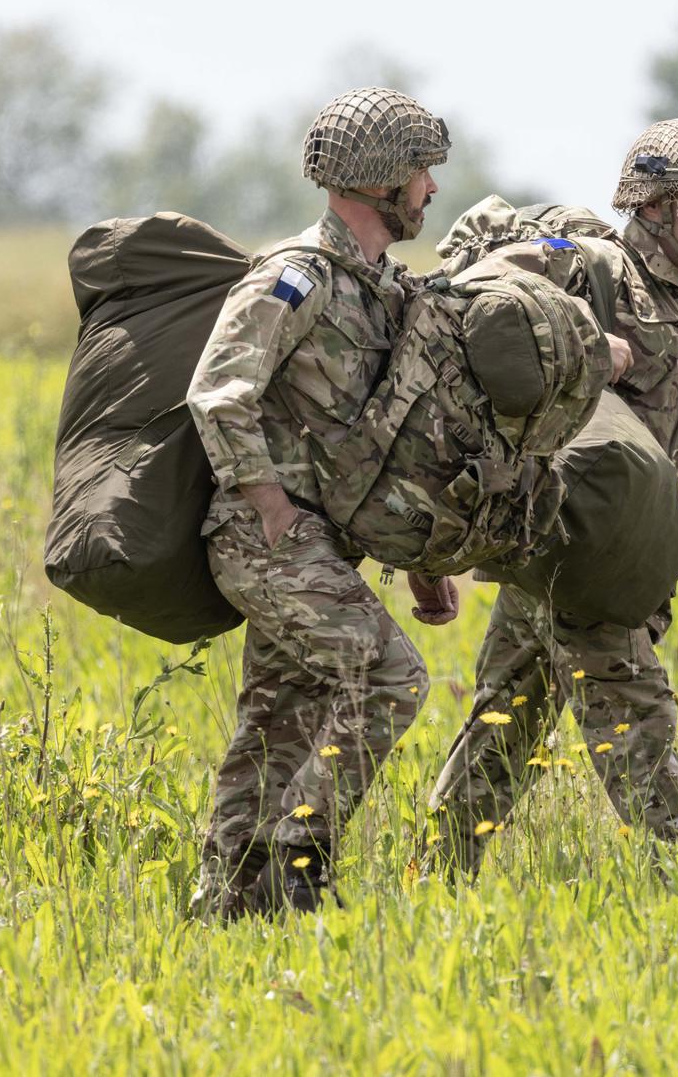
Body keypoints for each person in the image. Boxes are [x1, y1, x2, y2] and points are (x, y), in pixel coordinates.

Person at [428, 119, 678, 874]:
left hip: (606, 550)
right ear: (649, 203)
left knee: (504, 725)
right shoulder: (589, 270)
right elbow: (478, 332)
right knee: (633, 710)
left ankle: (437, 874)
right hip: (566, 535)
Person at [186, 87, 460, 918]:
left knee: (277, 723)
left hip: (322, 548)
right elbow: (218, 393)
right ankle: (295, 855)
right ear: (381, 182)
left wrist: (417, 565)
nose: (431, 190)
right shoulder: (296, 277)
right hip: (263, 540)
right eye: (421, 173)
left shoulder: (382, 287)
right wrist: (270, 508)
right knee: (391, 678)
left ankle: (226, 909)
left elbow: (388, 442)